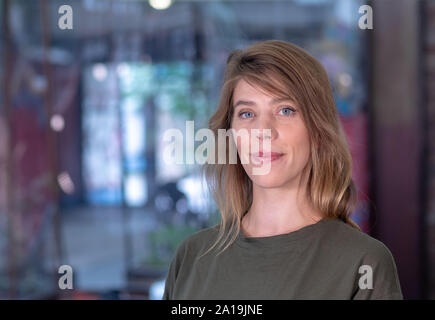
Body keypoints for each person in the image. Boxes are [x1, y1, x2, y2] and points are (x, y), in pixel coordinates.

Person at [162, 40, 403, 300]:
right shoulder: (191, 257)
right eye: (246, 113)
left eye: (285, 110)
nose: (263, 131)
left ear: (318, 132)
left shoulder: (364, 264)